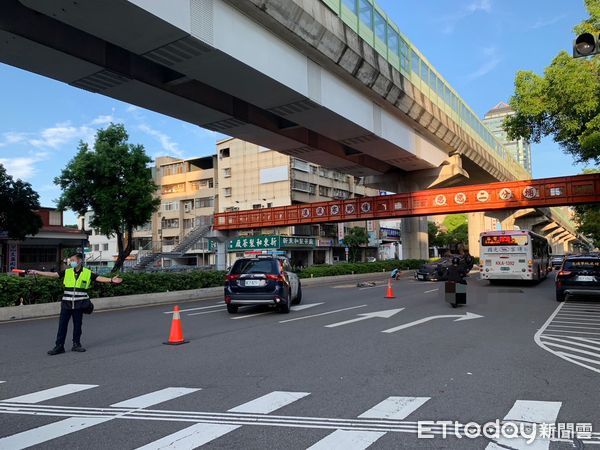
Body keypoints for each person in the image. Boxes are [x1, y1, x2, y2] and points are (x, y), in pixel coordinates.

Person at [28, 253, 122, 355]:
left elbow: (99, 278)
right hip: (66, 304)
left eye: (72, 260)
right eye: (70, 260)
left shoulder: (87, 272)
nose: (70, 262)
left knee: (77, 325)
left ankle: (76, 344)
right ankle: (59, 346)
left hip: (79, 304)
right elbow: (54, 274)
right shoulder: (67, 271)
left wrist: (111, 280)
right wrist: (37, 272)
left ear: (79, 261)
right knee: (62, 325)